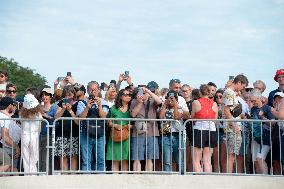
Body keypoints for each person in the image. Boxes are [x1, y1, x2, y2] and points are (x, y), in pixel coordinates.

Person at [130, 81, 162, 172]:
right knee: (137, 157)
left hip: (152, 131)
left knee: (149, 158)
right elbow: (133, 115)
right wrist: (140, 102)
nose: (144, 94)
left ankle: (149, 177)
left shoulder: (153, 100)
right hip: (138, 132)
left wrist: (149, 92)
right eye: (142, 92)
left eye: (146, 92)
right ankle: (136, 179)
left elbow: (160, 102)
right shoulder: (134, 101)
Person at [77, 81, 109, 171]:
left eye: (95, 90)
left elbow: (103, 117)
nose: (93, 92)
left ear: (99, 90)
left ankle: (101, 183)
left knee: (101, 160)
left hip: (100, 134)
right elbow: (81, 118)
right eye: (91, 90)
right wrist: (87, 107)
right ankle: (86, 182)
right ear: (87, 90)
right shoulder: (82, 102)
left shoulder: (104, 102)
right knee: (86, 161)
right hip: (85, 134)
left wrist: (99, 105)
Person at [222, 74, 248, 173]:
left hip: (232, 127)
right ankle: (229, 178)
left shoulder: (230, 92)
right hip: (232, 128)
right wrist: (235, 125)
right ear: (239, 83)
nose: (242, 89)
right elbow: (227, 111)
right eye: (243, 86)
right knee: (232, 155)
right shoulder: (229, 92)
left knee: (232, 155)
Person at [191, 85, 218, 172]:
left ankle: (199, 179)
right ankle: (208, 179)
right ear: (209, 92)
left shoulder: (196, 102)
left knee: (196, 159)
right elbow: (215, 119)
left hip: (199, 129)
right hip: (211, 130)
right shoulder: (214, 103)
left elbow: (192, 117)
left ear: (200, 92)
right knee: (207, 159)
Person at [106, 89, 132, 172]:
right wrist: (115, 125)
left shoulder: (132, 108)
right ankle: (115, 182)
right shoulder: (114, 108)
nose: (128, 96)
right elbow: (108, 122)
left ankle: (124, 182)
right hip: (115, 136)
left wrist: (131, 126)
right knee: (115, 160)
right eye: (126, 94)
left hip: (127, 137)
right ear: (120, 96)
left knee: (125, 160)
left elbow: (136, 122)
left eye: (129, 95)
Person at [159, 90, 185, 172]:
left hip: (177, 136)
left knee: (179, 160)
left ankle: (182, 178)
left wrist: (175, 106)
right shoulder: (163, 107)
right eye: (169, 98)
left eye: (173, 99)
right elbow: (160, 117)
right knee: (167, 161)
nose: (171, 100)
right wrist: (165, 104)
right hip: (166, 136)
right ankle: (167, 178)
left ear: (177, 100)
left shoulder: (180, 109)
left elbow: (176, 117)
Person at [250, 89, 275, 174]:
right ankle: (259, 181)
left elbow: (273, 124)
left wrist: (262, 117)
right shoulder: (253, 109)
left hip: (266, 138)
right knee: (256, 161)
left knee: (260, 158)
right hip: (255, 138)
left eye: (254, 100)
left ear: (260, 98)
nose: (253, 102)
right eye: (251, 101)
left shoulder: (268, 108)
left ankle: (266, 180)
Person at [54, 85, 79, 171]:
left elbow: (78, 122)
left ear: (73, 95)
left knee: (73, 157)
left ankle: (73, 178)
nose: (68, 97)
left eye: (70, 95)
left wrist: (70, 111)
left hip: (74, 133)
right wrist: (63, 109)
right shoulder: (60, 104)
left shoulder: (78, 104)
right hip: (61, 133)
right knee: (62, 157)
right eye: (66, 95)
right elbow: (56, 118)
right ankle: (63, 178)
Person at [20, 94, 42, 173]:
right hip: (34, 135)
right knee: (34, 156)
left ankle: (27, 173)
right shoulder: (38, 114)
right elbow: (39, 126)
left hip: (25, 135)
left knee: (25, 156)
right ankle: (33, 173)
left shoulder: (21, 114)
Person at [0, 97, 20, 171]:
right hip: (6, 146)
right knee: (7, 163)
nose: (14, 106)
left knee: (8, 169)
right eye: (13, 104)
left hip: (4, 146)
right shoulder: (5, 118)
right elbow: (5, 137)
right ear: (9, 105)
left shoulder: (3, 115)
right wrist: (16, 147)